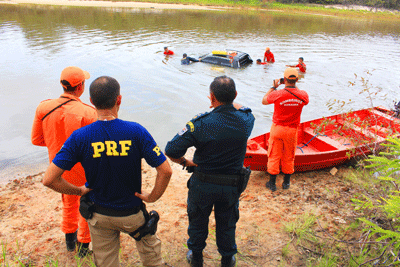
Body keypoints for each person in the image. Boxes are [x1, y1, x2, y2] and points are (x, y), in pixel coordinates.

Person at [41, 76, 173, 267]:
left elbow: (49, 179)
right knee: (153, 258)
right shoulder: (136, 131)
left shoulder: (80, 137)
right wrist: (152, 197)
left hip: (99, 214)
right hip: (132, 213)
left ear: (92, 102)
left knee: (106, 262)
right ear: (119, 100)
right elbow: (166, 171)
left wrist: (79, 191)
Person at [165, 76, 255, 267]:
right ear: (235, 95)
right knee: (227, 222)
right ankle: (227, 258)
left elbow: (171, 150)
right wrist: (229, 102)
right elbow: (242, 108)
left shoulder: (201, 123)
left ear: (211, 97)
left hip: (203, 183)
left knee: (197, 220)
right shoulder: (246, 121)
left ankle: (196, 257)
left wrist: (185, 162)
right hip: (231, 185)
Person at [31, 66, 97, 256]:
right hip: (84, 170)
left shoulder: (43, 107)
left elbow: (36, 140)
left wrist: (56, 144)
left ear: (62, 84)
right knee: (86, 203)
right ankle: (83, 247)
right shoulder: (89, 113)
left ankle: (69, 242)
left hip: (58, 169)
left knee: (68, 202)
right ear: (80, 87)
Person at [261, 68, 309, 191]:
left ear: (284, 80)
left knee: (274, 154)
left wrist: (273, 87)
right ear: (297, 79)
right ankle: (286, 183)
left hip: (277, 129)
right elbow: (305, 101)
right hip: (292, 130)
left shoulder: (277, 94)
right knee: (289, 155)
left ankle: (272, 184)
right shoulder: (303, 95)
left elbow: (264, 101)